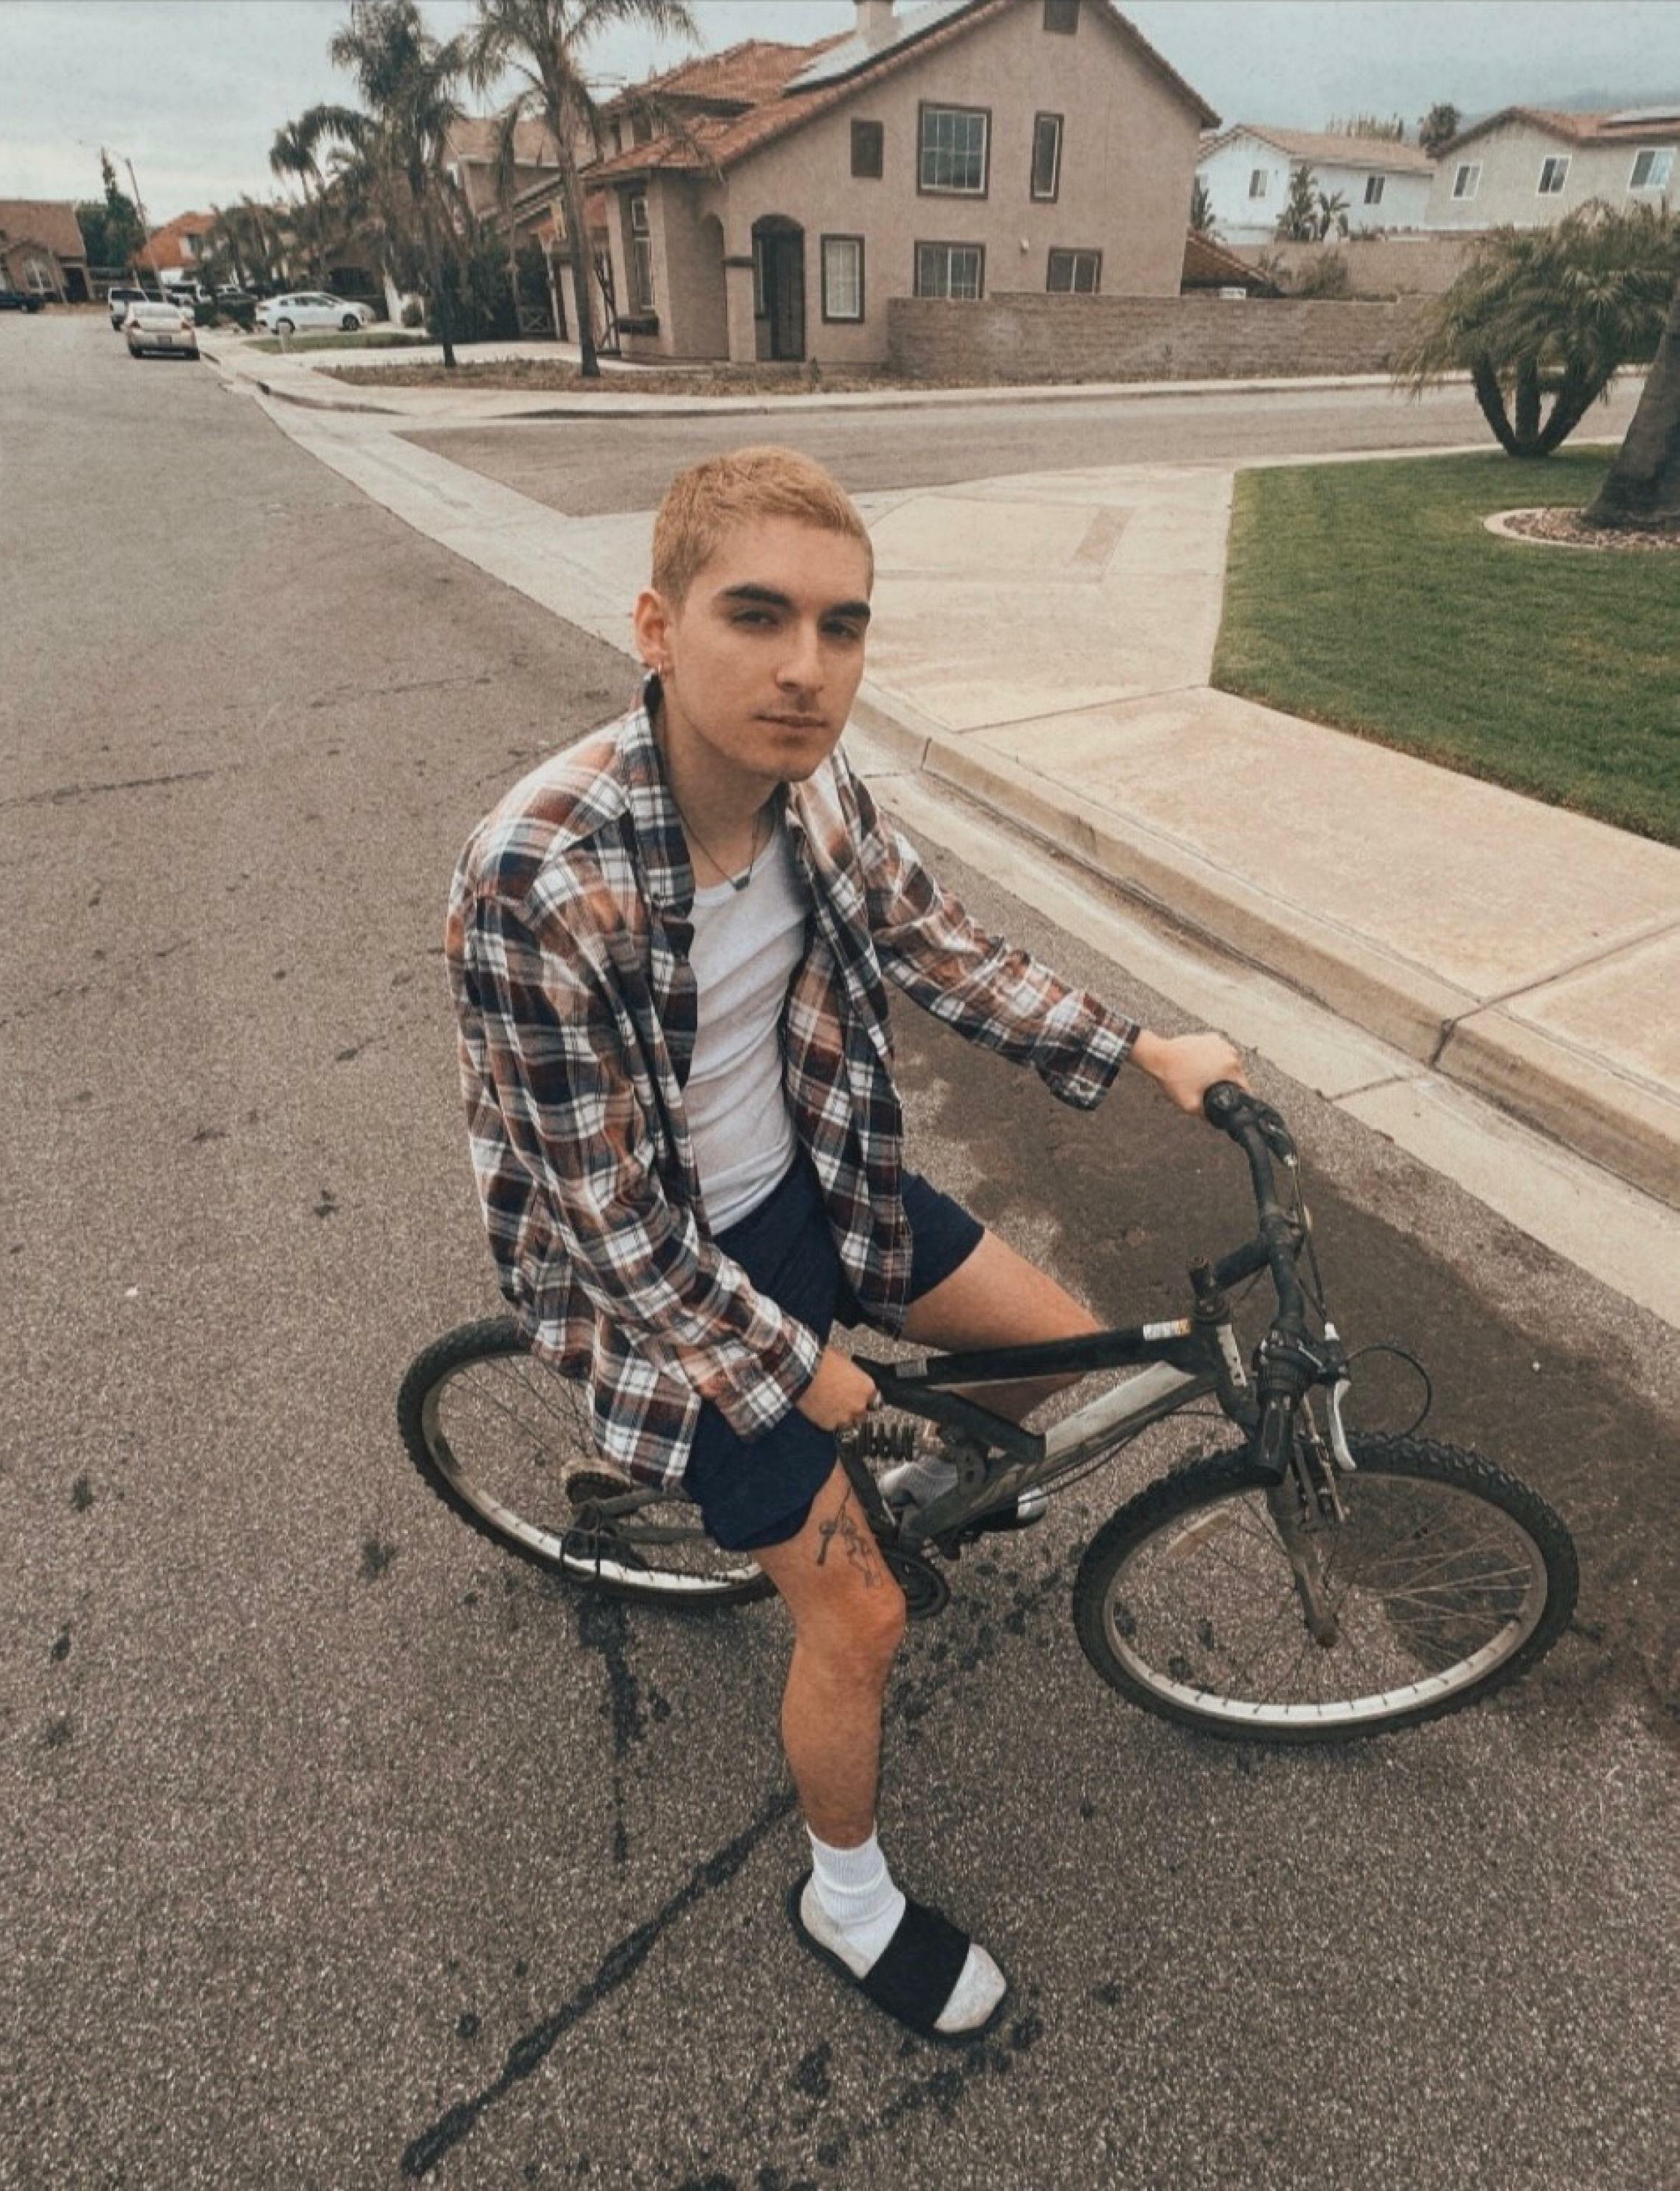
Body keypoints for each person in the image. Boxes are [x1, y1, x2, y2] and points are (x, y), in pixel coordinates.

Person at [446, 447, 1246, 2045]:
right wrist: (795, 1370)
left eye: (843, 625)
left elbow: (938, 944)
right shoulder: (541, 874)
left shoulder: (814, 789)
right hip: (661, 1292)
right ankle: (847, 1898)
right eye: (758, 617)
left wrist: (1137, 1046)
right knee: (862, 1621)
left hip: (824, 1187)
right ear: (658, 628)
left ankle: (878, 1500)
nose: (807, 668)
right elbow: (609, 1218)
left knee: (1052, 1348)